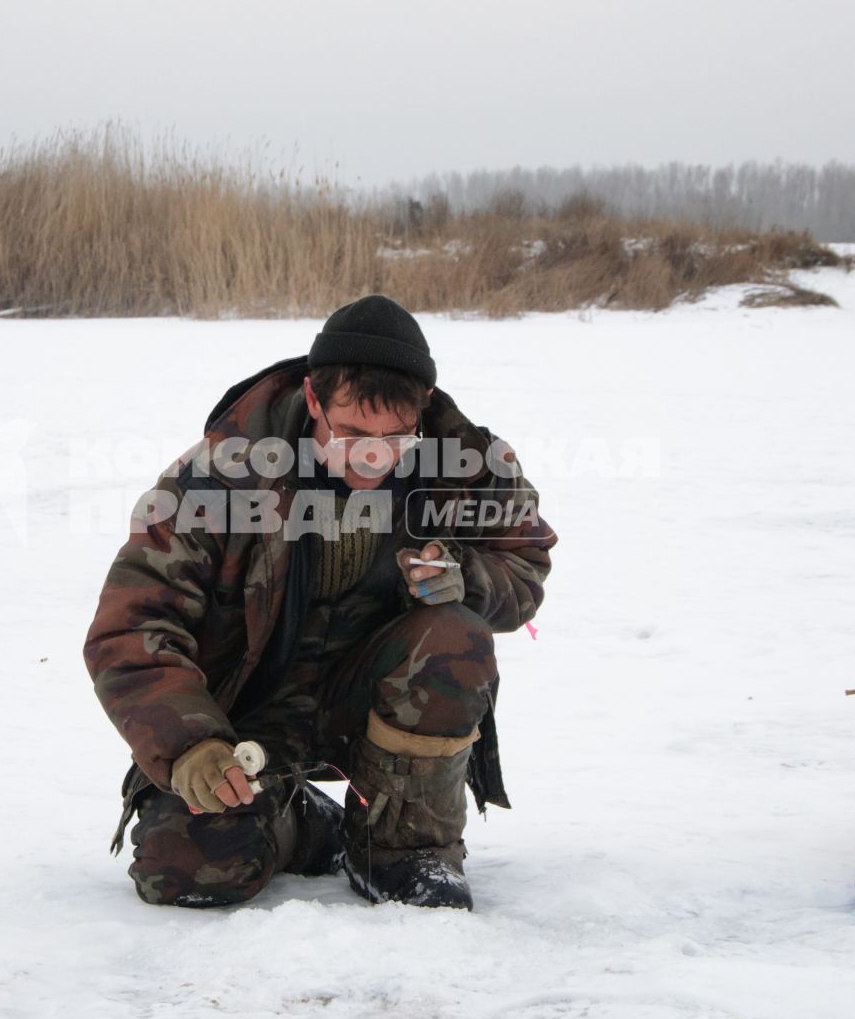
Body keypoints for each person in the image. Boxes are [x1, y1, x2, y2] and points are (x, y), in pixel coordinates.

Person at [85, 294, 556, 910]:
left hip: (377, 705)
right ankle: (302, 819)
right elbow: (133, 626)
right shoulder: (219, 478)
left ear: (422, 413)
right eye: (353, 432)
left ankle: (403, 846)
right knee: (186, 873)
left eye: (395, 437)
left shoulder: (467, 467)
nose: (374, 456)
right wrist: (190, 743)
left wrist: (468, 575)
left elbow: (525, 563)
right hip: (246, 721)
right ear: (313, 400)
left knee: (454, 632)